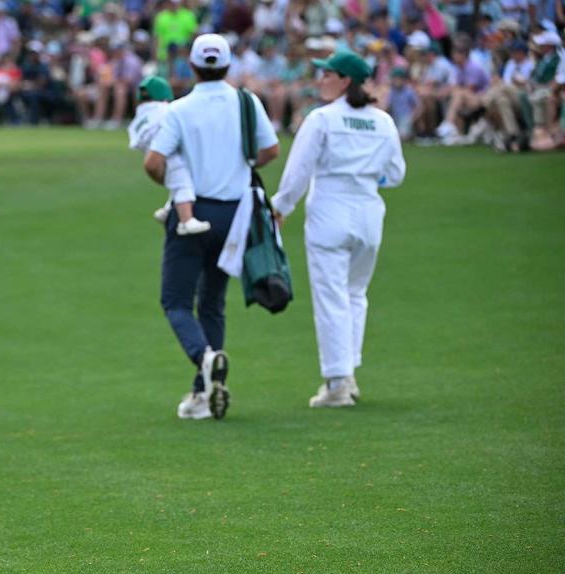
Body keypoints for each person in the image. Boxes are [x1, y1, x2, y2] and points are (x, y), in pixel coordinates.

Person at [144, 33, 279, 420]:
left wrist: (170, 185)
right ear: (228, 64)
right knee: (214, 301)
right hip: (235, 213)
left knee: (175, 300)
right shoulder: (246, 101)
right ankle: (204, 392)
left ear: (192, 65)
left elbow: (154, 162)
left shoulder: (180, 110)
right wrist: (241, 168)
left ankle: (205, 360)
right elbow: (270, 149)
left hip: (194, 210)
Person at [270, 50, 406, 408]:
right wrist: (364, 173)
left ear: (345, 80)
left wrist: (280, 207)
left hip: (331, 211)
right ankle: (348, 374)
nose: (320, 80)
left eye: (326, 74)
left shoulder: (322, 119)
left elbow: (298, 171)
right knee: (355, 294)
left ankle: (337, 383)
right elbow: (395, 174)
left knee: (332, 297)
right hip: (368, 214)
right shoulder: (383, 121)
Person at [128, 75, 209, 235]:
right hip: (163, 145)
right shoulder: (164, 109)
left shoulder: (142, 112)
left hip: (148, 145)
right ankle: (186, 221)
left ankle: (168, 208)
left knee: (174, 177)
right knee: (181, 178)